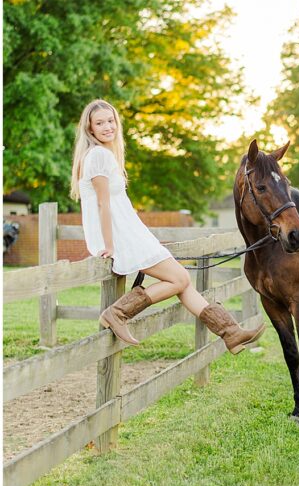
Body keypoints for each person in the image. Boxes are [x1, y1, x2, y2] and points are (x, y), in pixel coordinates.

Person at [70, 99, 264, 352]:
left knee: (182, 281)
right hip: (118, 237)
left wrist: (143, 237)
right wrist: (108, 245)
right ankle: (118, 312)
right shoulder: (97, 156)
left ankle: (231, 333)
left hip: (129, 232)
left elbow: (119, 206)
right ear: (90, 129)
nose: (107, 127)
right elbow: (103, 206)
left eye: (111, 121)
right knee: (179, 278)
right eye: (100, 123)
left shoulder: (107, 156)